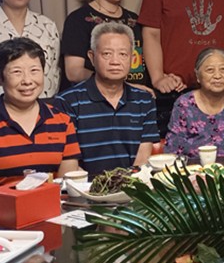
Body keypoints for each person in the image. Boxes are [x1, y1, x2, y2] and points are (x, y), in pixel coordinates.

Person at [0, 38, 81, 190]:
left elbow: (66, 186)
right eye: (17, 72)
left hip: (51, 204)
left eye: (34, 71)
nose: (27, 81)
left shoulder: (62, 122)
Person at [56, 23, 159, 176]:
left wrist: (127, 184)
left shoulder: (144, 100)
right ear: (92, 57)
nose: (115, 61)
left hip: (131, 185)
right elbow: (68, 164)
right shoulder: (67, 102)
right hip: (84, 187)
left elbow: (142, 159)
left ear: (132, 58)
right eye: (107, 54)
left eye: (123, 54)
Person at [60, 0, 149, 89]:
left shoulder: (134, 20)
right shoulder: (78, 19)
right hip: (96, 97)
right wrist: (124, 86)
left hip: (137, 97)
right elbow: (74, 72)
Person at [165, 48, 224, 164]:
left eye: (223, 69)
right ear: (198, 76)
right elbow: (172, 151)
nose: (217, 76)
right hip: (190, 171)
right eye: (210, 70)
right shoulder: (184, 104)